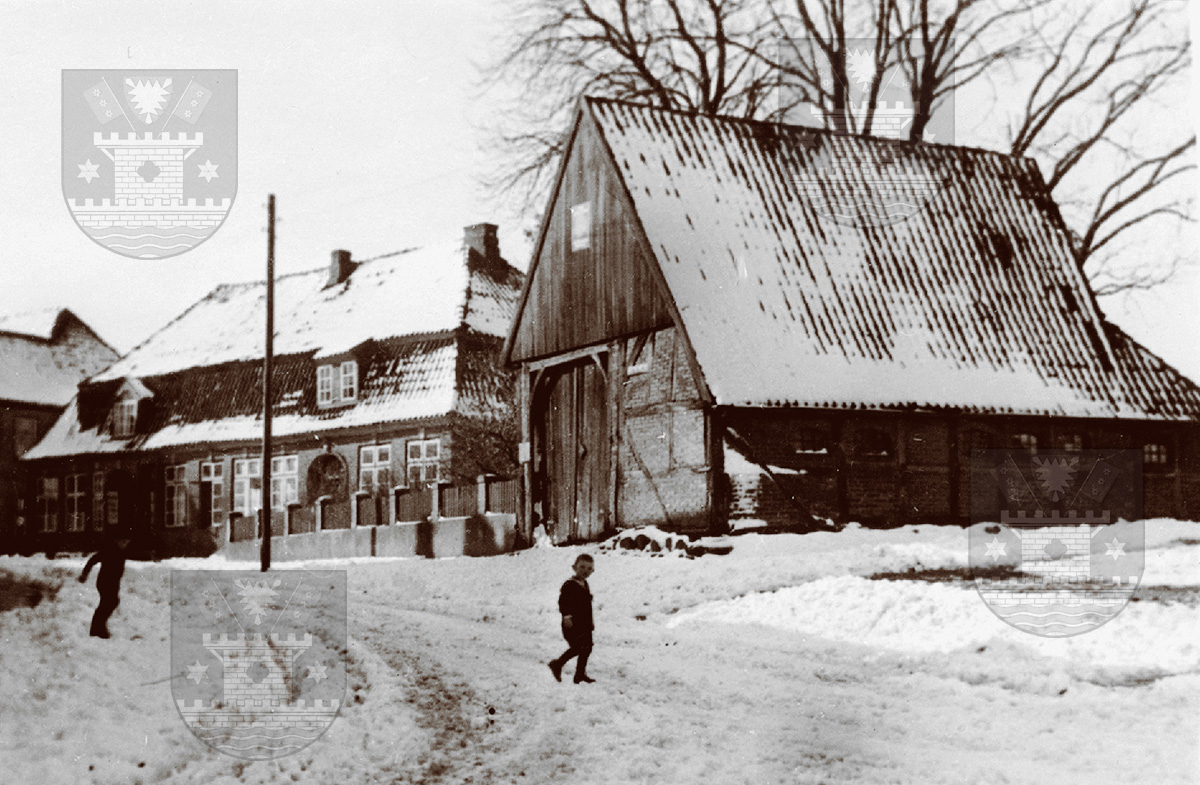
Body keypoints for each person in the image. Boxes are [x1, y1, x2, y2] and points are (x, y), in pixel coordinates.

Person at [548, 553, 595, 684]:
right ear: (574, 567)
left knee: (587, 648)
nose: (585, 571)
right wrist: (566, 616)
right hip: (572, 623)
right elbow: (563, 602)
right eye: (582, 567)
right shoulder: (569, 585)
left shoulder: (585, 584)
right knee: (578, 647)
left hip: (584, 624)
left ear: (593, 571)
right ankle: (557, 664)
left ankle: (580, 674)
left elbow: (587, 607)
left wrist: (591, 623)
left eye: (589, 568)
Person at [78, 537, 130, 638]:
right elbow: (93, 560)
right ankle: (97, 630)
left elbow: (136, 555)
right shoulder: (109, 550)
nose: (126, 544)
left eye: (127, 541)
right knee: (108, 603)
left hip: (113, 582)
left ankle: (97, 628)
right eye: (123, 541)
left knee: (111, 603)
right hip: (105, 582)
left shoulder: (121, 551)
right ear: (117, 541)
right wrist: (84, 574)